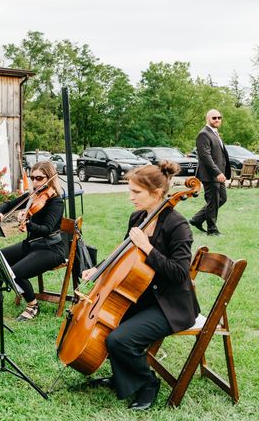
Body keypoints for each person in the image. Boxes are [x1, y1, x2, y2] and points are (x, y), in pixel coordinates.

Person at [82, 161, 199, 410]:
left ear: (156, 193)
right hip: (144, 297)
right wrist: (99, 268)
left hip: (171, 305)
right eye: (130, 191)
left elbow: (179, 274)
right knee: (108, 326)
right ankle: (121, 377)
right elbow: (123, 254)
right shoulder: (138, 217)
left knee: (119, 339)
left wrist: (147, 248)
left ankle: (148, 384)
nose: (130, 197)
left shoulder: (177, 225)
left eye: (136, 192)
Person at [0, 160, 65, 322]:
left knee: (15, 272)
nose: (35, 182)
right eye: (32, 177)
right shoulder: (33, 195)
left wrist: (29, 224)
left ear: (49, 177)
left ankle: (32, 305)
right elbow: (8, 204)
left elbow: (47, 229)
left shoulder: (56, 202)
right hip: (32, 244)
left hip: (51, 248)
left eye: (39, 178)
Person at [190, 109, 230, 236]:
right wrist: (217, 172)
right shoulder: (204, 134)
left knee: (222, 199)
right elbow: (205, 156)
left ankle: (197, 219)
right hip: (210, 175)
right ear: (208, 119)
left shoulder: (215, 133)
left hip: (218, 175)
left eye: (219, 117)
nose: (217, 120)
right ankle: (212, 230)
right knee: (213, 201)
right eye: (214, 118)